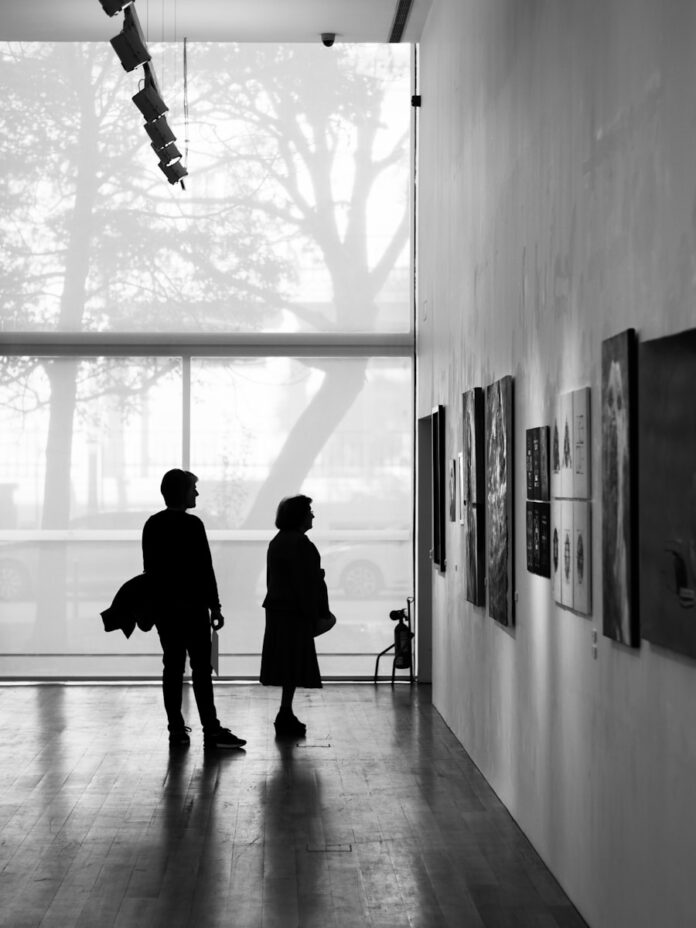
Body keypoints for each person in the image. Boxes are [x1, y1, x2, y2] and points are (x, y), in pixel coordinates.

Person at [142, 468, 246, 750]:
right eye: (193, 489)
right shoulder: (193, 526)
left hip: (166, 609)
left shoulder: (152, 525)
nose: (197, 493)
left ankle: (176, 728)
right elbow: (204, 568)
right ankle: (211, 728)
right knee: (202, 668)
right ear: (182, 492)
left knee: (172, 667)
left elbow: (150, 571)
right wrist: (215, 606)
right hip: (193, 608)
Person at [260, 495, 327, 737]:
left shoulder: (277, 542)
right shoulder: (301, 544)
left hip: (278, 610)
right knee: (293, 664)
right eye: (309, 511)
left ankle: (285, 711)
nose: (312, 515)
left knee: (286, 664)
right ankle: (285, 712)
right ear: (299, 516)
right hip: (295, 612)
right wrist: (314, 614)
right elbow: (305, 584)